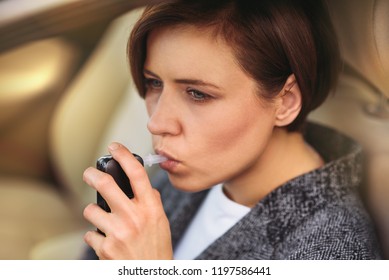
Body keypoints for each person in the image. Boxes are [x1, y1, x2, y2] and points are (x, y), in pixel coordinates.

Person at [82, 0, 382, 259]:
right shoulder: (196, 167)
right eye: (154, 83)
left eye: (198, 94)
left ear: (286, 101)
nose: (156, 123)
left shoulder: (331, 252)